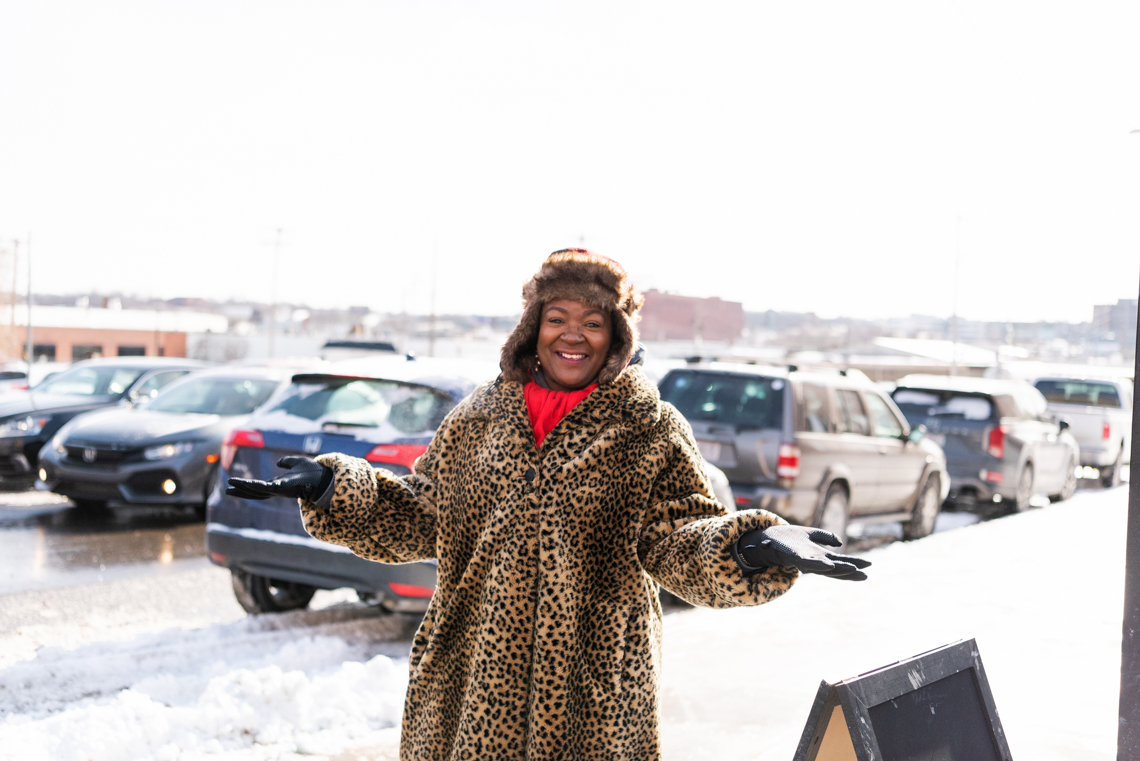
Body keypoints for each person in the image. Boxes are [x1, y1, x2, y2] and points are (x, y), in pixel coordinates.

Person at [228, 249, 869, 761]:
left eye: (593, 323)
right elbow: (422, 517)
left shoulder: (650, 427)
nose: (574, 335)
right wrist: (333, 487)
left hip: (593, 706)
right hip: (469, 692)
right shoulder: (480, 416)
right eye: (559, 318)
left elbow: (678, 538)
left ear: (616, 336)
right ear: (533, 327)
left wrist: (747, 547)